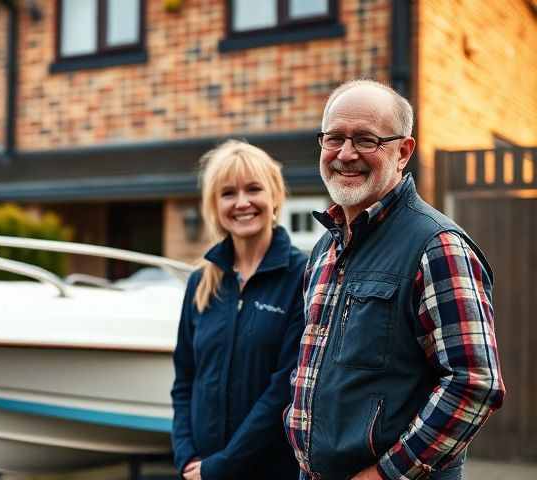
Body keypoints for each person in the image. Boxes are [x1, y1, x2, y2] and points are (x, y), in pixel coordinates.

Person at [283, 79, 506, 480]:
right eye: (334, 138)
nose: (346, 154)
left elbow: (474, 382)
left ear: (403, 151)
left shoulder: (436, 246)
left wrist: (386, 474)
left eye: (366, 140)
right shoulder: (323, 251)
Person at [171, 140, 305, 480]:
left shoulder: (301, 276)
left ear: (274, 195)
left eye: (254, 189)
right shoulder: (201, 282)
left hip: (271, 471)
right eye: (228, 193)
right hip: (200, 470)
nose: (242, 202)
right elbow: (184, 379)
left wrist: (223, 465)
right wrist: (184, 454)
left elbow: (285, 390)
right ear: (214, 205)